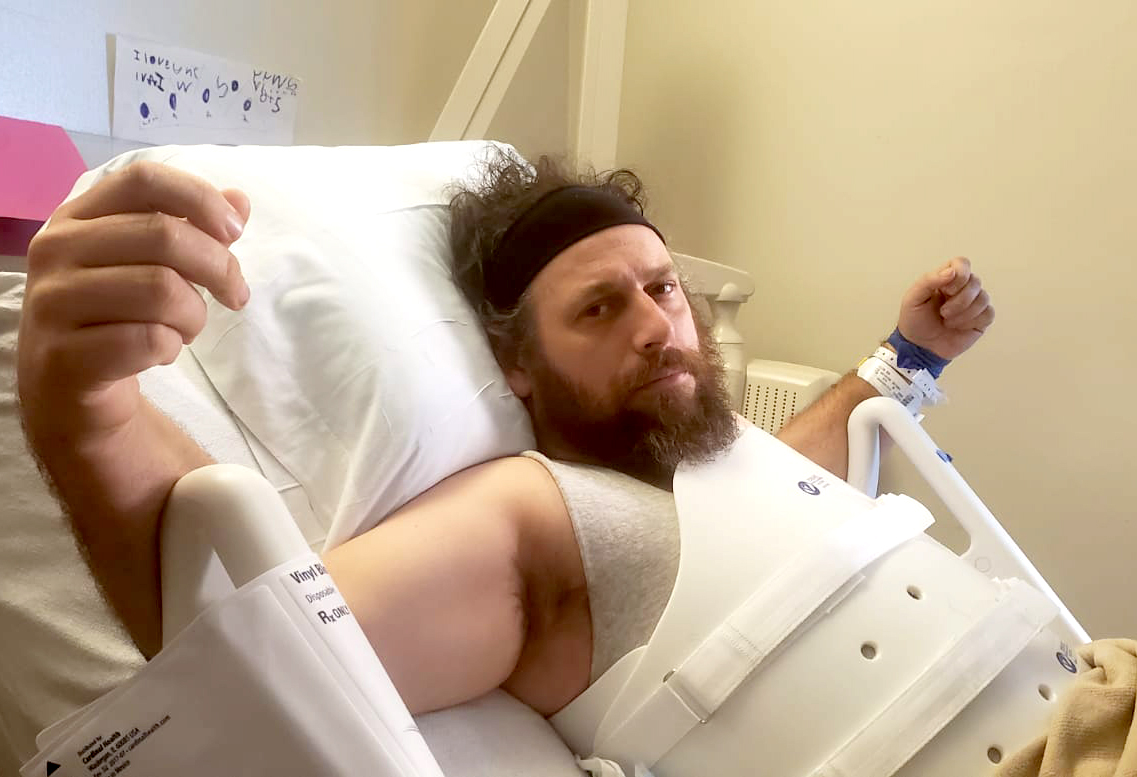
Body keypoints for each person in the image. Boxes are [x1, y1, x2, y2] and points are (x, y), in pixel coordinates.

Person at [16, 153, 992, 719]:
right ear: (517, 366)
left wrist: (910, 356)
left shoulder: (716, 466)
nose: (657, 326)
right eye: (599, 309)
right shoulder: (535, 514)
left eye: (661, 288)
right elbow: (261, 665)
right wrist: (87, 409)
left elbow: (782, 471)